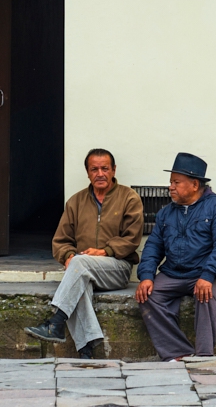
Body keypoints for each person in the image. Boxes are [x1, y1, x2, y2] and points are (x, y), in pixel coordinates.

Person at [24, 148, 144, 359]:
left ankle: (56, 322)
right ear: (87, 173)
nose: (100, 173)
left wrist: (105, 251)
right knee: (78, 281)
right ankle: (85, 349)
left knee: (80, 266)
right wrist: (68, 256)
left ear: (114, 170)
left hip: (117, 267)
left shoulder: (129, 198)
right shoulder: (76, 201)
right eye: (94, 169)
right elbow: (60, 241)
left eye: (105, 168)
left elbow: (132, 239)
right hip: (84, 268)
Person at [135, 152, 216, 361]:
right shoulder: (166, 213)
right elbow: (153, 246)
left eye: (176, 182)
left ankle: (204, 357)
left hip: (211, 272)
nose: (171, 187)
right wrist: (146, 276)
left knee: (205, 295)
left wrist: (208, 276)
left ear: (194, 184)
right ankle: (178, 352)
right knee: (147, 296)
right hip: (174, 273)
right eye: (170, 182)